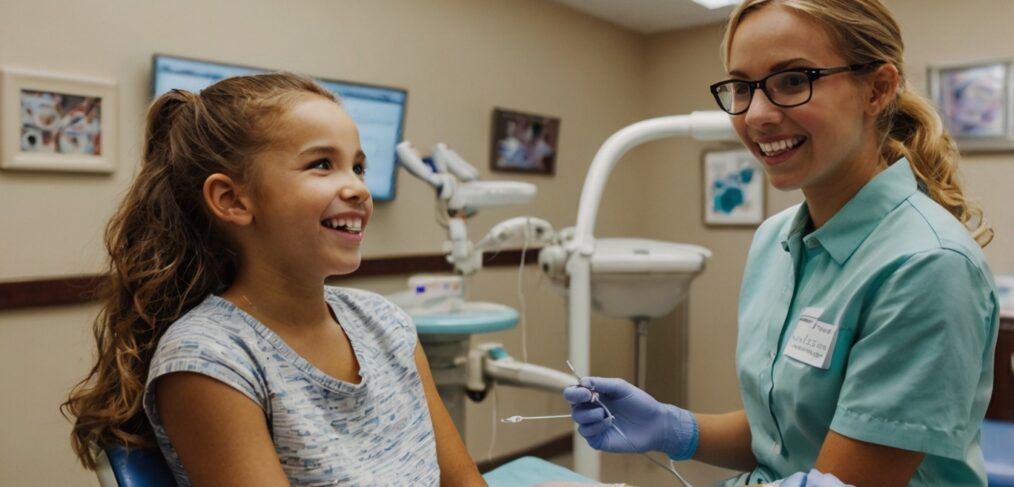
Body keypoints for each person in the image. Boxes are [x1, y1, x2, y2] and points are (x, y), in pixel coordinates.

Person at [564, 1, 999, 486]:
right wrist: (674, 427)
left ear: (877, 89)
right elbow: (787, 435)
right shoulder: (776, 241)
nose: (757, 114)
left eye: (793, 80)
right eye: (742, 88)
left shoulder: (927, 265)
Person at [61, 72, 486, 486]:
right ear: (232, 200)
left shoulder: (387, 324)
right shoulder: (210, 357)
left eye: (357, 167)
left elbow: (462, 480)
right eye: (322, 164)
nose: (359, 188)